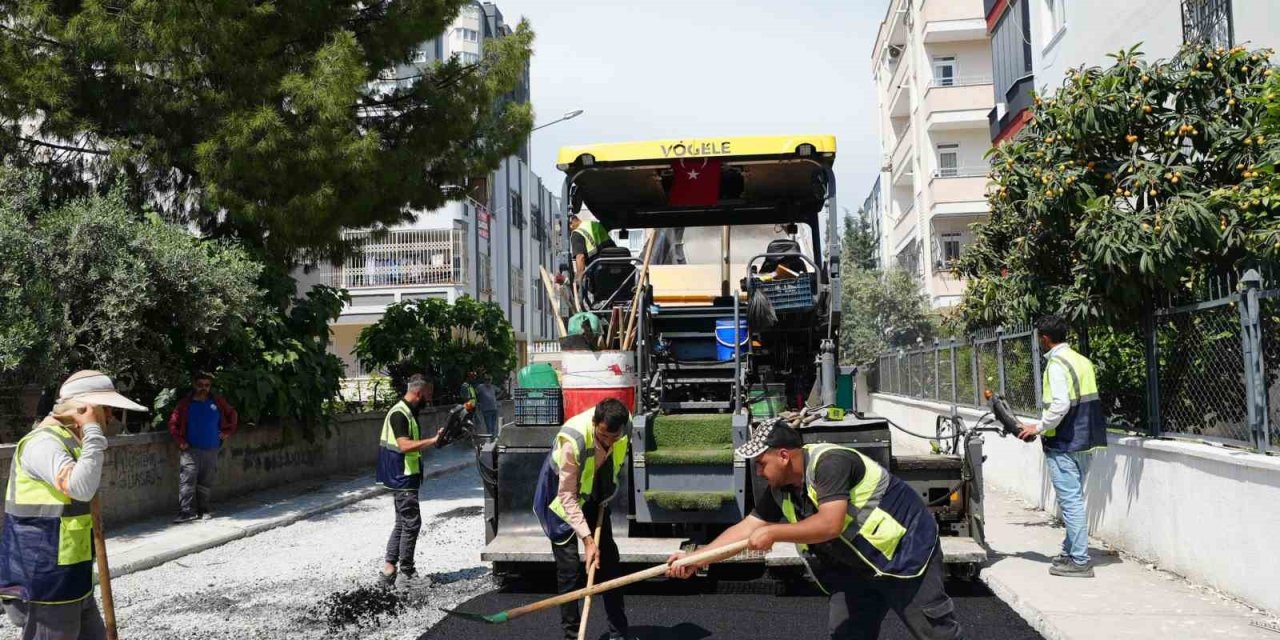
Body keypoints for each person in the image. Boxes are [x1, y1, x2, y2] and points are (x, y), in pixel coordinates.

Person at [666, 421, 964, 640]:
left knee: (936, 633)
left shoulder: (831, 463)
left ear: (784, 456)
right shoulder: (780, 488)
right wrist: (698, 557)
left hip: (906, 554)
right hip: (854, 569)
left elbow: (829, 523)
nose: (758, 471)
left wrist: (774, 533)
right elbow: (748, 528)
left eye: (761, 463)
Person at [1, 370, 147, 640]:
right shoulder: (43, 443)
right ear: (85, 409)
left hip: (72, 574)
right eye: (107, 409)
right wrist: (93, 431)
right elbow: (81, 487)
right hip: (45, 578)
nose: (111, 418)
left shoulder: (69, 442)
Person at [532, 399, 634, 640]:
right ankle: (572, 636)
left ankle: (619, 634)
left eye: (613, 437)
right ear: (594, 423)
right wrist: (588, 541)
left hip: (592, 492)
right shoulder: (573, 442)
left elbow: (613, 462)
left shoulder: (624, 425)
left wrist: (605, 491)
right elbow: (566, 496)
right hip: (559, 497)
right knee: (569, 570)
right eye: (603, 436)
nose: (608, 441)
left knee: (609, 561)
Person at [1017, 314, 1107, 578]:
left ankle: (1079, 560)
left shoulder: (1056, 364)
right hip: (1085, 441)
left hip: (1064, 442)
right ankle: (1070, 552)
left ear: (1044, 338)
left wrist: (1038, 426)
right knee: (1074, 499)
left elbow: (1060, 404)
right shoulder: (1082, 361)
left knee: (1071, 503)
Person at [376, 374, 441, 590]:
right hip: (402, 476)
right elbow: (404, 446)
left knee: (401, 523)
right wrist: (432, 441)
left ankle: (388, 570)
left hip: (402, 476)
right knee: (412, 524)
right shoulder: (399, 414)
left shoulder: (407, 412)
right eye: (428, 395)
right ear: (419, 393)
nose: (429, 399)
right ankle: (407, 574)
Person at [168, 372, 239, 523]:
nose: (203, 388)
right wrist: (180, 441)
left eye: (207, 385)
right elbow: (173, 424)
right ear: (194, 385)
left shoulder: (217, 402)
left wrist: (227, 432)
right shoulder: (185, 404)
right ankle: (185, 512)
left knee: (206, 481)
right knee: (187, 479)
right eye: (200, 385)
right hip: (190, 449)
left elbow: (232, 414)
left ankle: (203, 510)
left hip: (212, 448)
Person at [568, 214, 615, 282]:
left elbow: (580, 257)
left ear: (571, 223)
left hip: (599, 270)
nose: (570, 231)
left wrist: (578, 280)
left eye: (568, 229)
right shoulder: (594, 224)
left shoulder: (577, 233)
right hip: (614, 264)